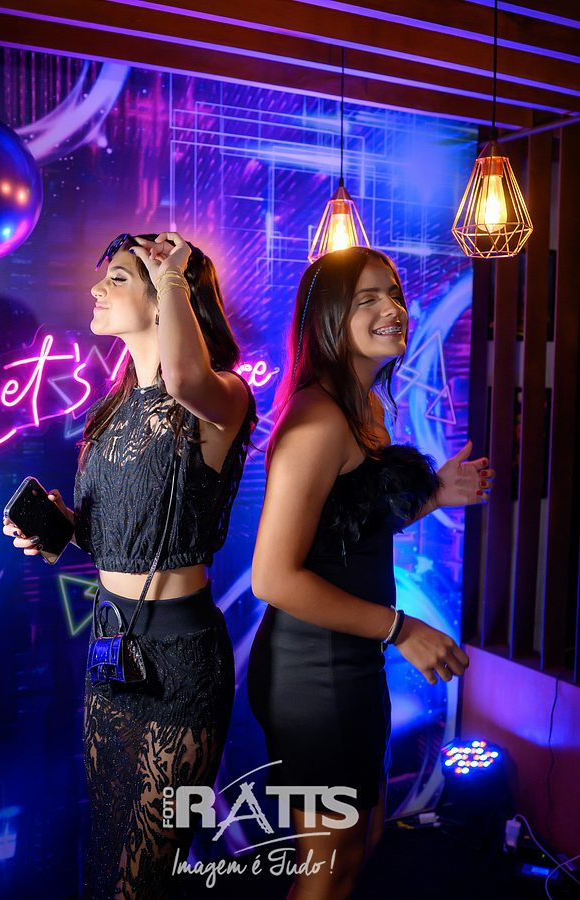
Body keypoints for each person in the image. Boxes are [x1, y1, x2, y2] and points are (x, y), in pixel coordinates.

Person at [2, 231, 257, 899]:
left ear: (169, 293)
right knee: (105, 850)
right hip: (111, 648)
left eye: (117, 277)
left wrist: (172, 270)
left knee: (142, 878)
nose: (96, 288)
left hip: (181, 661)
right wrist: (58, 531)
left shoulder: (222, 395)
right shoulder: (109, 413)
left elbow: (185, 378)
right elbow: (116, 541)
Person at [247, 246, 492, 900]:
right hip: (312, 671)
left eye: (394, 294)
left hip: (349, 662)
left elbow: (346, 534)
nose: (393, 309)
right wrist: (401, 628)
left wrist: (432, 496)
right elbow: (273, 577)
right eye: (367, 299)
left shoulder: (363, 408)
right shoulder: (317, 419)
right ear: (329, 318)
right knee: (328, 868)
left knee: (362, 842)